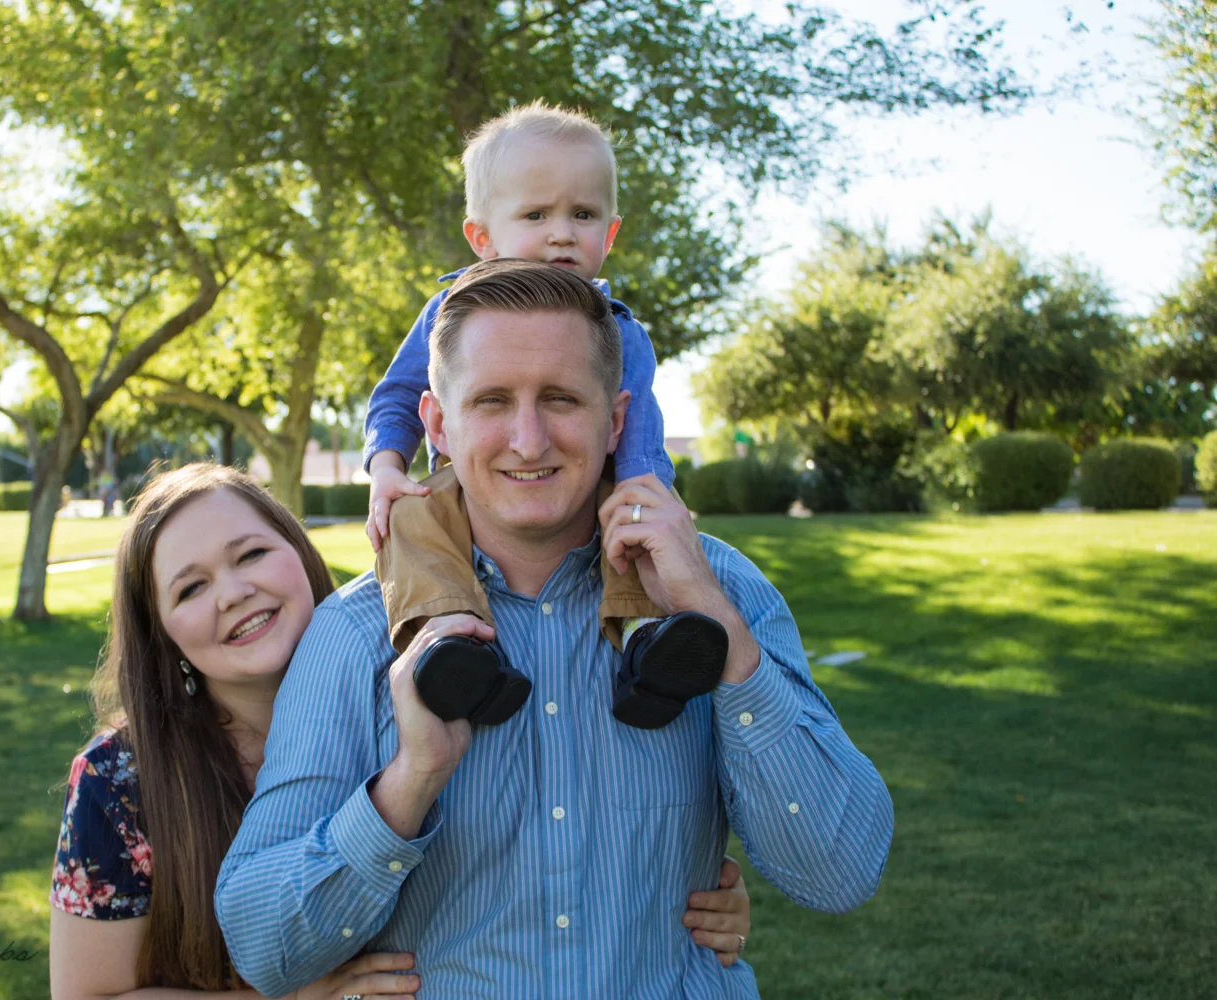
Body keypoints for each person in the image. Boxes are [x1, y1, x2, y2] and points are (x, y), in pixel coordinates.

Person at [216, 260, 894, 998]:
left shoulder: (721, 596)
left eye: (561, 399)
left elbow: (841, 871)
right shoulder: (354, 636)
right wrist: (408, 786)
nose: (529, 440)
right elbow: (261, 944)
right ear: (438, 424)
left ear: (616, 422)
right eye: (493, 400)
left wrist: (721, 632)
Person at [48, 463, 753, 999]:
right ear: (163, 634)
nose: (233, 592)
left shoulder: (431, 677)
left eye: (251, 554)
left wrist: (677, 892)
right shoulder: (121, 780)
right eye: (190, 588)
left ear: (300, 553)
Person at [363, 100, 726, 732]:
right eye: (536, 215)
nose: (562, 232)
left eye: (582, 215)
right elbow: (397, 394)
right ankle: (450, 638)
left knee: (630, 527)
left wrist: (650, 488)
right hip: (466, 488)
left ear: (610, 233)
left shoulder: (619, 332)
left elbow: (636, 425)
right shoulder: (449, 314)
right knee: (412, 515)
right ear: (483, 237)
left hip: (589, 486)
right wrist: (386, 465)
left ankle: (646, 644)